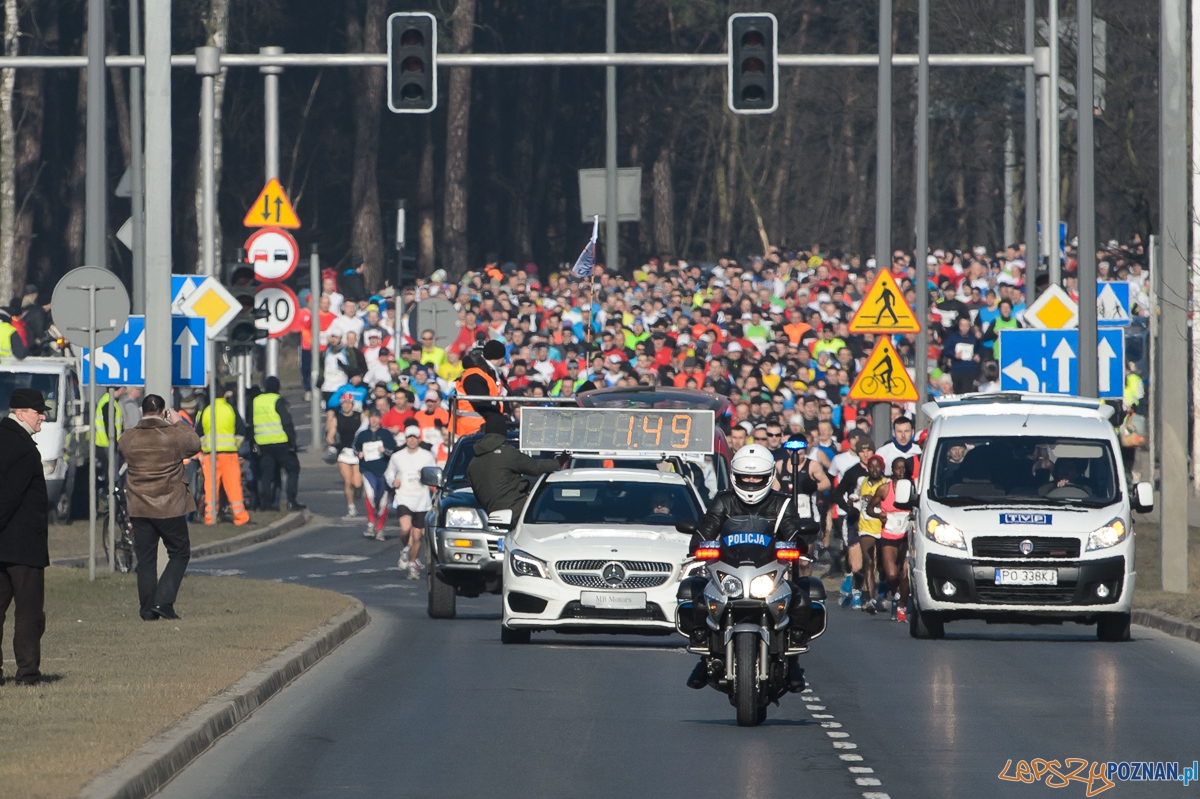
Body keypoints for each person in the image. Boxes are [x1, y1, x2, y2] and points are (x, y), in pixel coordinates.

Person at [685, 444, 819, 693]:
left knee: (802, 598)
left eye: (757, 477)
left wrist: (796, 543)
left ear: (769, 477)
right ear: (734, 476)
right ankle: (705, 656)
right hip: (729, 572)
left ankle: (792, 661)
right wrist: (699, 543)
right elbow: (707, 528)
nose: (750, 482)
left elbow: (793, 531)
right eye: (745, 477)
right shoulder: (724, 501)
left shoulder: (781, 503)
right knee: (695, 593)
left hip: (769, 573)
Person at [117, 394, 203, 621]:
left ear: (142, 411)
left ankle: (147, 610)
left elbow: (121, 450)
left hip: (140, 507)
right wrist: (178, 421)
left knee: (145, 560)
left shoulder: (129, 438)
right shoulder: (173, 435)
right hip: (169, 506)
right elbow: (195, 444)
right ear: (163, 412)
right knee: (180, 552)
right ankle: (163, 602)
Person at [0, 388, 49, 685]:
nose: (42, 416)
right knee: (29, 613)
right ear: (20, 413)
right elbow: (9, 496)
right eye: (37, 412)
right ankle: (28, 673)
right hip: (23, 546)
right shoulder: (23, 447)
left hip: (4, 545)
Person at [466, 414, 560, 523]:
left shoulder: (473, 462)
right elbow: (535, 467)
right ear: (503, 432)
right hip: (518, 513)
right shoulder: (507, 454)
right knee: (559, 519)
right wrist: (559, 462)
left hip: (491, 514)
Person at [385, 425, 437, 578]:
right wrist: (393, 481)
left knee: (417, 536)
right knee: (405, 528)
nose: (412, 440)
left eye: (415, 437)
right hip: (404, 497)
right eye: (409, 437)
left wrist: (425, 475)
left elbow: (434, 474)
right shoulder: (397, 456)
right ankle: (406, 548)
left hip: (421, 499)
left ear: (419, 439)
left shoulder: (427, 456)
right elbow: (389, 473)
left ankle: (413, 563)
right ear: (406, 439)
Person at [196, 385, 250, 526]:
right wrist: (235, 445)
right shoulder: (230, 409)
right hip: (229, 454)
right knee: (233, 486)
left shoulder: (206, 411)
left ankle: (210, 517)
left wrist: (205, 447)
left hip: (210, 455)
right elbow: (241, 431)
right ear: (224, 395)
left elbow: (199, 433)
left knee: (211, 487)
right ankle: (240, 517)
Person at [251, 376, 305, 512]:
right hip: (281, 442)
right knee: (293, 469)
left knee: (266, 474)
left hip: (263, 443)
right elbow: (286, 422)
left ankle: (266, 503)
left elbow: (251, 422)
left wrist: (253, 441)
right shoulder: (278, 400)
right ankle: (291, 501)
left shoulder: (256, 401)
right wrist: (292, 441)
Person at [869, 457, 912, 622]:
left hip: (907, 537)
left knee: (905, 574)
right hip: (889, 536)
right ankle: (896, 594)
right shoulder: (884, 489)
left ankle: (902, 606)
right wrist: (879, 515)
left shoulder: (912, 488)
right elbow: (870, 508)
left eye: (903, 468)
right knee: (893, 575)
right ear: (892, 471)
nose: (901, 471)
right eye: (897, 468)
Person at [354, 409, 397, 540]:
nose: (373, 420)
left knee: (383, 501)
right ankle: (371, 523)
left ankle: (380, 529)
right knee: (370, 494)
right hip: (368, 470)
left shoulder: (386, 434)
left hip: (384, 471)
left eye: (376, 417)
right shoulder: (363, 435)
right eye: (371, 417)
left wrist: (385, 451)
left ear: (380, 419)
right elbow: (355, 448)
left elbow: (393, 451)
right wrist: (359, 453)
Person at [855, 455, 889, 614]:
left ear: (882, 468)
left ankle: (883, 594)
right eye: (871, 466)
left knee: (882, 564)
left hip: (883, 526)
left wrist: (875, 500)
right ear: (867, 468)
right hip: (866, 526)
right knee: (868, 561)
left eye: (878, 466)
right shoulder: (861, 481)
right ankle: (871, 598)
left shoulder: (887, 483)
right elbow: (855, 496)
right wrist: (853, 501)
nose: (874, 469)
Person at [452, 341, 507, 439]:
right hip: (470, 431)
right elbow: (481, 404)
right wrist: (499, 420)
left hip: (484, 428)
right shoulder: (474, 375)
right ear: (501, 357)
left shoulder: (491, 373)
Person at [327, 392, 364, 519]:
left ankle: (358, 489)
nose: (346, 405)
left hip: (357, 452)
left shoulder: (360, 416)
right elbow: (330, 436)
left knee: (357, 483)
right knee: (348, 481)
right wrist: (334, 444)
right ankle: (351, 508)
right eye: (344, 403)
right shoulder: (337, 418)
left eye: (348, 403)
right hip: (344, 453)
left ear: (352, 404)